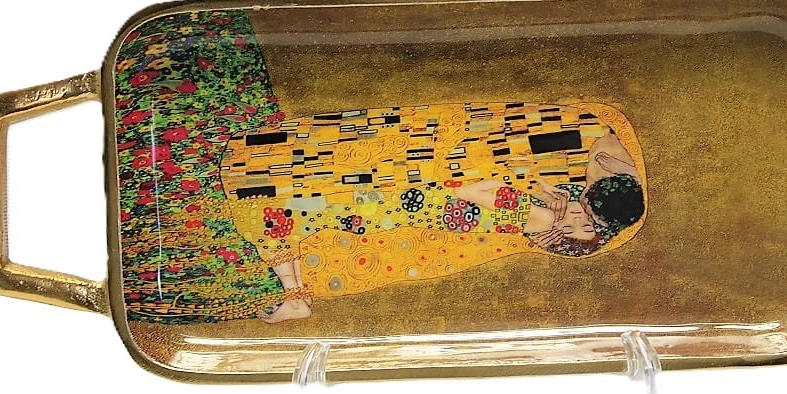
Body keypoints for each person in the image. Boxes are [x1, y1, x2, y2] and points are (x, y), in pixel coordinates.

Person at [219, 102, 648, 322]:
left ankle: (295, 294)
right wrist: (540, 192)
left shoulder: (535, 219)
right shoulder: (552, 213)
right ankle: (294, 291)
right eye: (584, 211)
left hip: (411, 203)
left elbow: (472, 189)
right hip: (417, 204)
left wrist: (525, 193)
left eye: (582, 221)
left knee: (308, 207)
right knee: (308, 208)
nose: (578, 210)